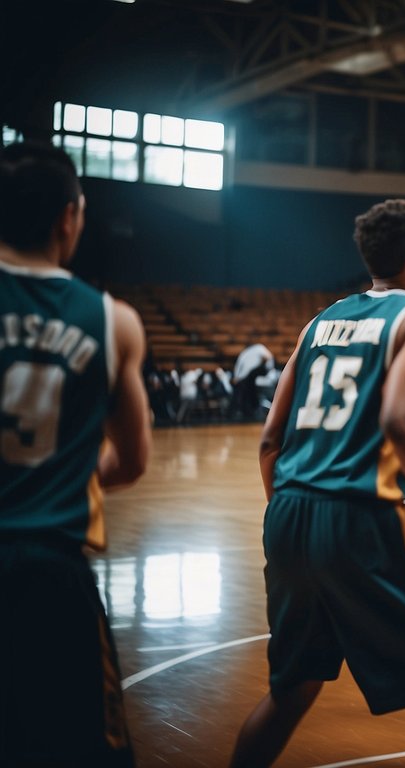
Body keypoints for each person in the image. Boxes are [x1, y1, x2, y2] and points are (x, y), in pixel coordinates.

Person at [229, 199, 405, 768]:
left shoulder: (319, 322)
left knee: (292, 690)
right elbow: (403, 420)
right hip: (361, 514)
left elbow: (269, 441)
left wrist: (295, 520)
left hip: (288, 513)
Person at [0, 141, 151, 766]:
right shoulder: (112, 320)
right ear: (70, 217)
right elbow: (133, 460)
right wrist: (62, 477)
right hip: (50, 571)